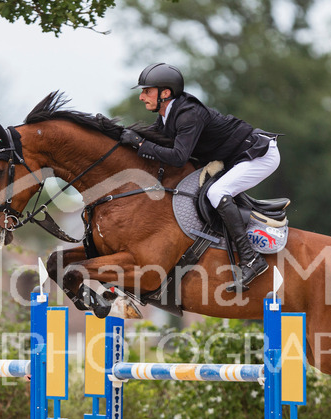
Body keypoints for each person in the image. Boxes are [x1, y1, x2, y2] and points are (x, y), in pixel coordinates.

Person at [119, 62, 281, 291]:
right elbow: (154, 140)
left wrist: (140, 143)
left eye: (147, 91)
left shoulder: (188, 114)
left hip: (259, 155)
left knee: (217, 192)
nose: (142, 96)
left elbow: (177, 157)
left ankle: (251, 259)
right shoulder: (167, 115)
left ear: (165, 93)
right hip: (237, 157)